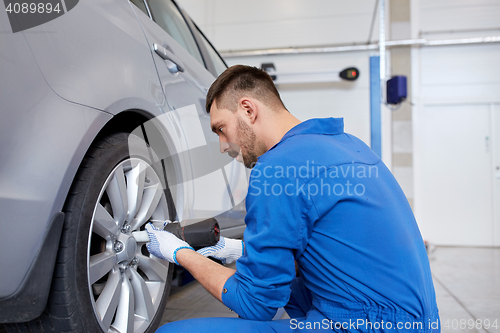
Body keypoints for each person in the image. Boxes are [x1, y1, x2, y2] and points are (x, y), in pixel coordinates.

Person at [146, 65, 440, 332]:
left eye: (221, 129)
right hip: (418, 323)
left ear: (248, 110)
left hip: (366, 325)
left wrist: (180, 253)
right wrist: (238, 250)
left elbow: (255, 304)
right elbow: (324, 242)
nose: (223, 146)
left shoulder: (277, 167)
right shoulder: (350, 146)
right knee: (292, 285)